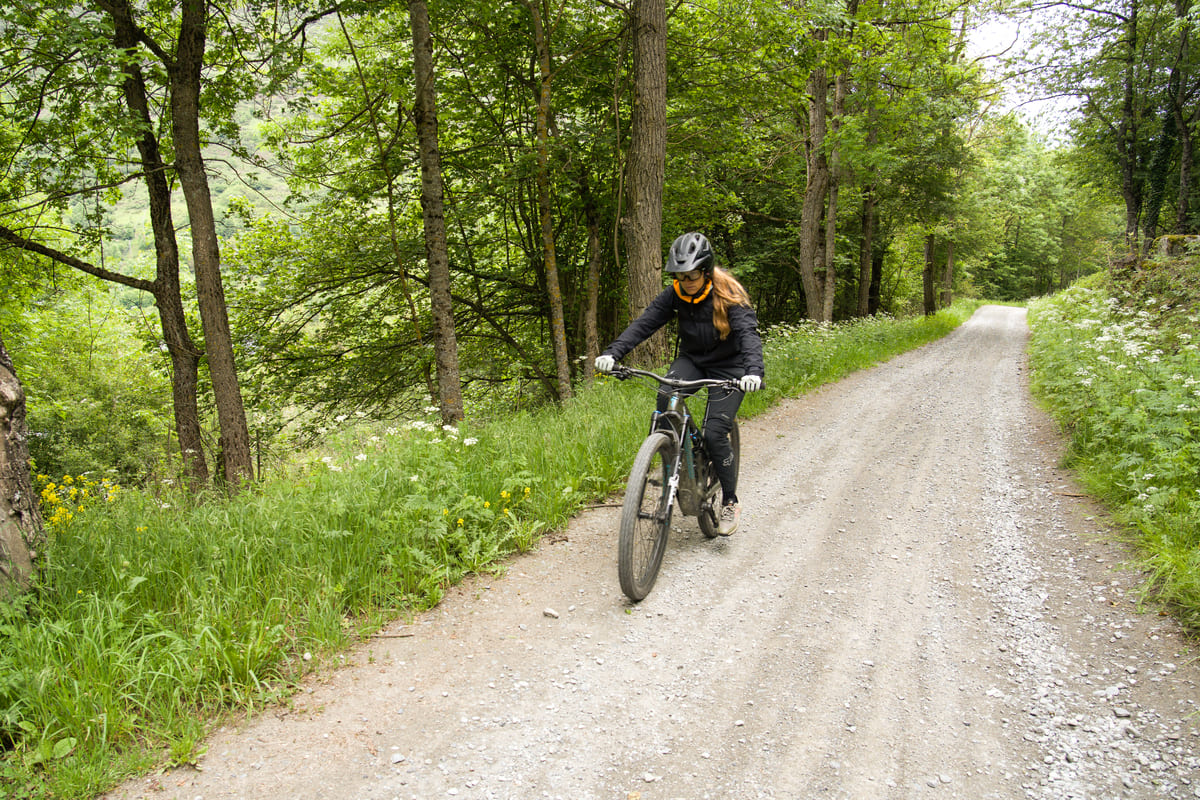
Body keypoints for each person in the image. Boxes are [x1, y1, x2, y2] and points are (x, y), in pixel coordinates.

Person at [595, 232, 764, 536]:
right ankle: (689, 449)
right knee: (666, 397)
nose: (686, 281)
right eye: (680, 275)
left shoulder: (727, 294)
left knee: (715, 434)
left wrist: (753, 371)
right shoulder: (674, 294)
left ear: (707, 270)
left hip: (731, 368)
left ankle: (729, 500)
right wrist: (613, 352)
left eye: (692, 275)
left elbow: (748, 334)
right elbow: (644, 323)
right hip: (693, 360)